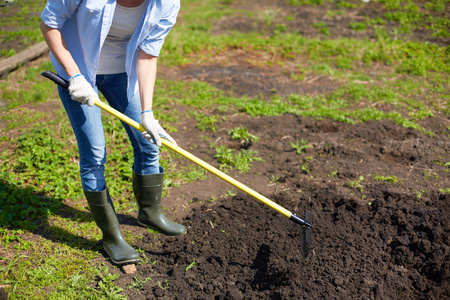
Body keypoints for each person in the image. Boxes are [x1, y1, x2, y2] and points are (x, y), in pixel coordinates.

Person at [40, 0, 185, 265]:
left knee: (149, 143)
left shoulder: (167, 3)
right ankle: (111, 237)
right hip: (79, 72)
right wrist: (74, 76)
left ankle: (150, 214)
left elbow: (148, 54)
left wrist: (148, 113)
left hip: (122, 73)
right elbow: (50, 22)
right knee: (95, 155)